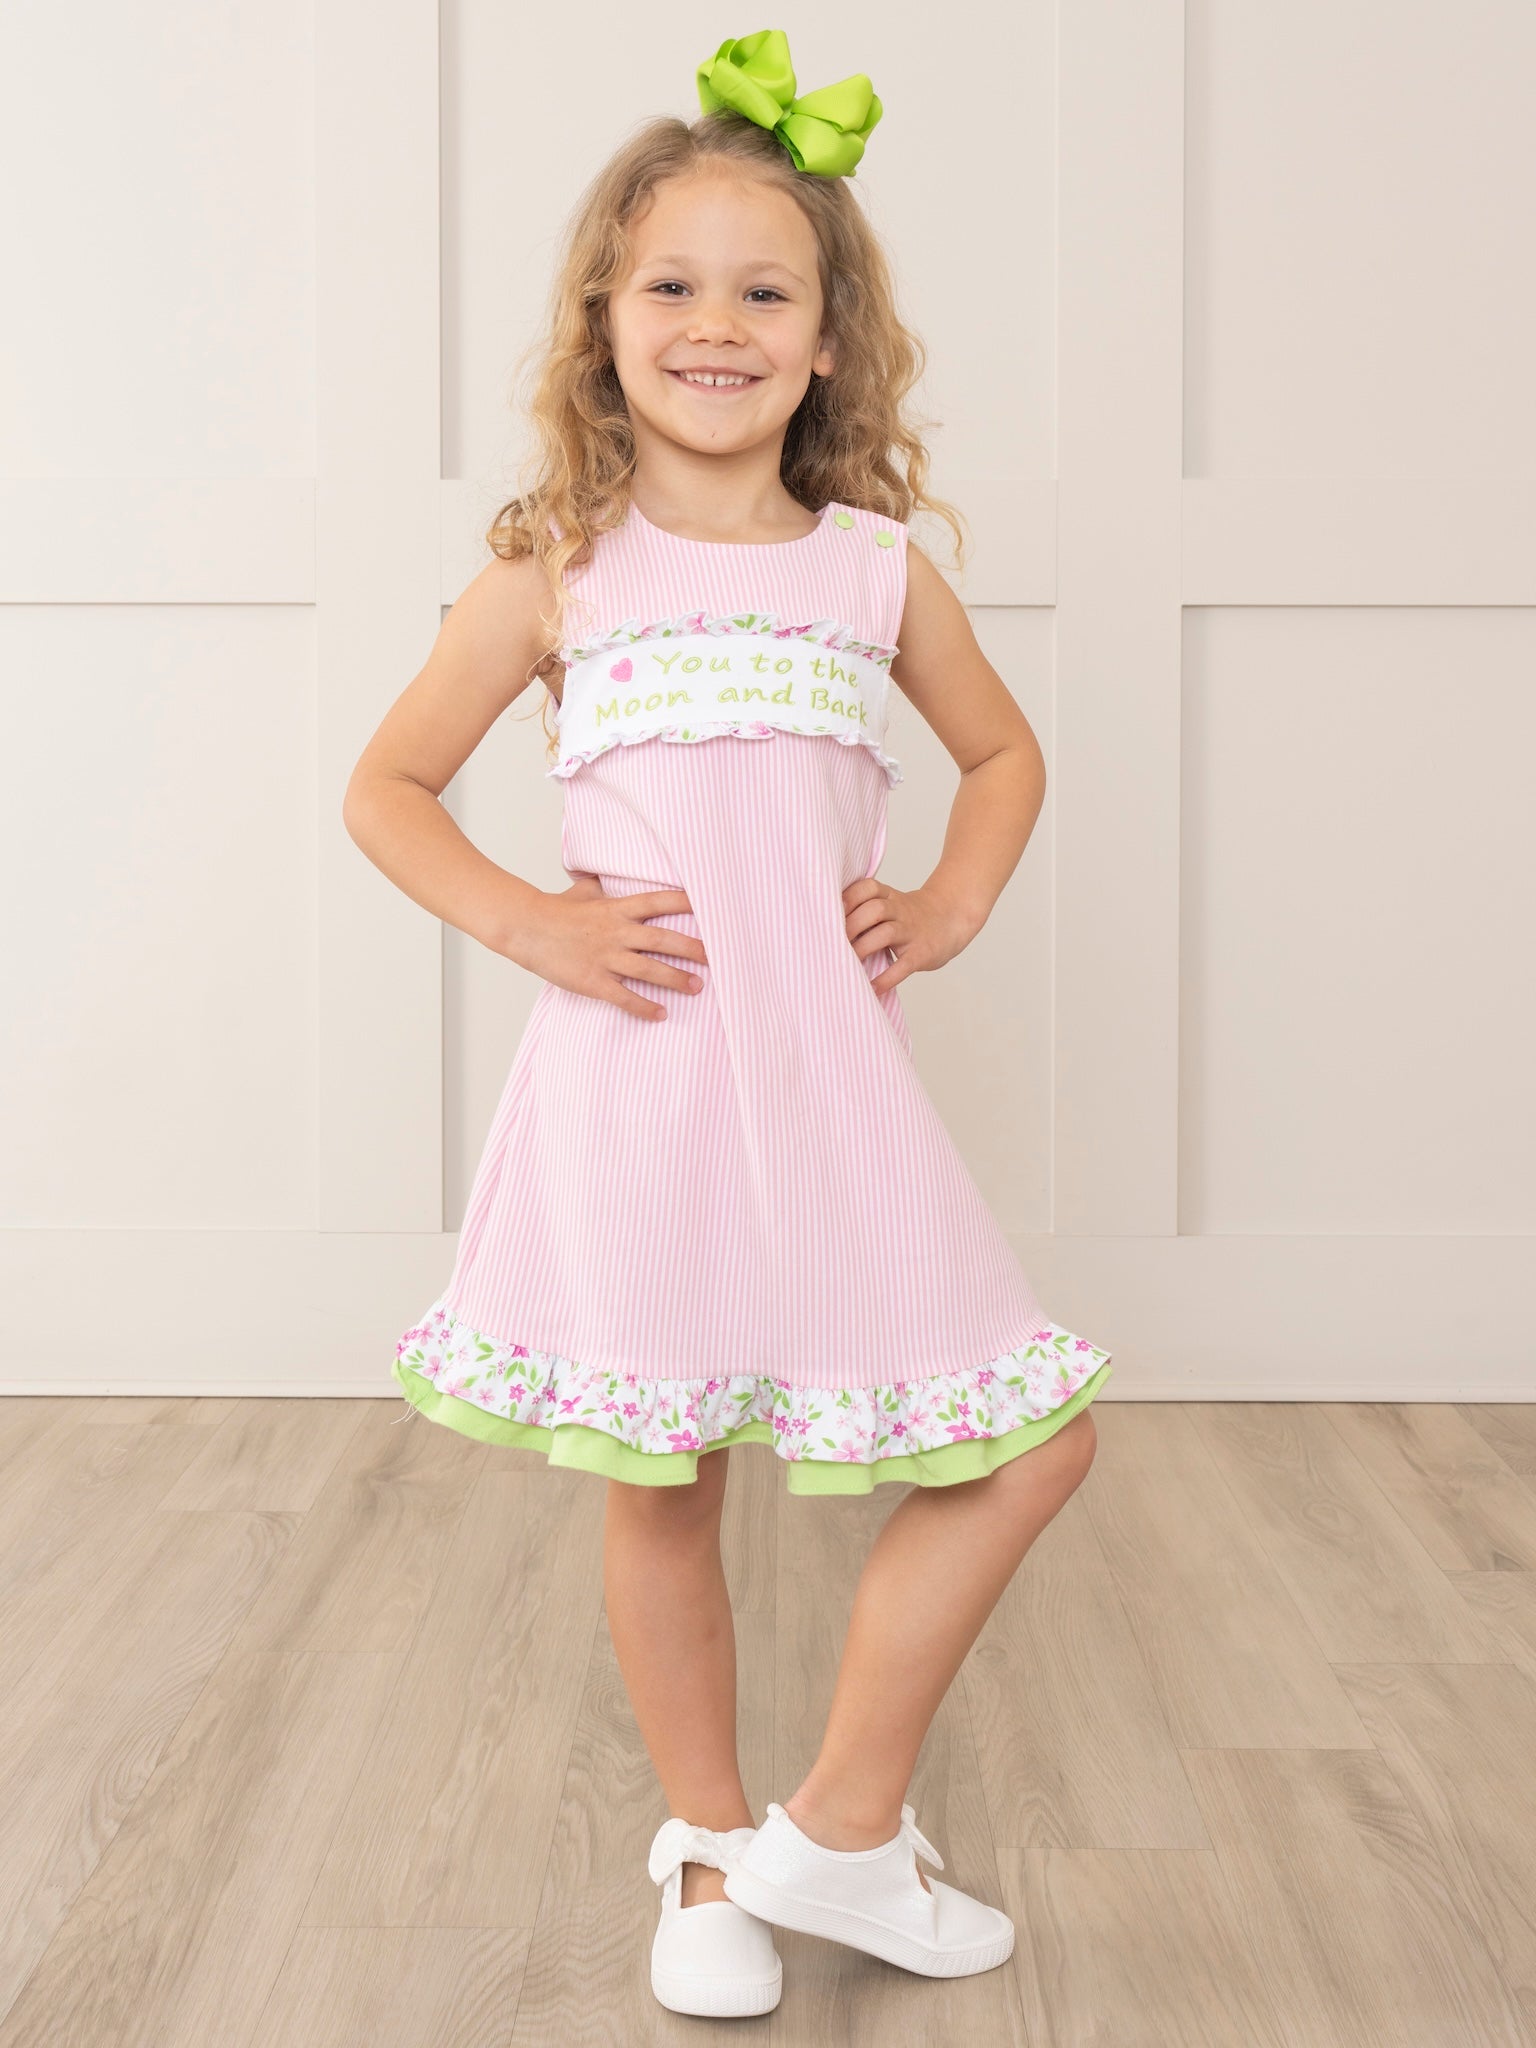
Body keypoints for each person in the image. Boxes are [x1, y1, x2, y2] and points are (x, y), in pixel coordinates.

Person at [343, 26, 1113, 2021]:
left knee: (1028, 1445)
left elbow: (1004, 754)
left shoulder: (873, 573)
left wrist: (947, 900)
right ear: (603, 328)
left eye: (765, 293)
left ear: (831, 341)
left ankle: (837, 1824)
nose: (715, 325)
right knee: (663, 1473)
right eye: (670, 285)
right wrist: (535, 923)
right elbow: (387, 788)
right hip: (643, 1090)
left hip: (835, 1092)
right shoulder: (554, 577)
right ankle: (704, 1844)